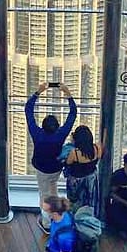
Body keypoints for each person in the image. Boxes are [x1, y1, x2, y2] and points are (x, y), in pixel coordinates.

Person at [26, 83, 78, 232]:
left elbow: (28, 110)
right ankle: (57, 214)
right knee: (52, 188)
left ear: (43, 126)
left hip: (41, 169)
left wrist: (38, 92)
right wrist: (67, 93)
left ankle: (47, 224)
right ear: (57, 126)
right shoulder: (60, 135)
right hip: (56, 168)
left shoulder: (37, 133)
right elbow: (73, 114)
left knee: (44, 194)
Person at [64, 125, 102, 211]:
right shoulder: (97, 148)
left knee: (75, 203)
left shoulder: (75, 153)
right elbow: (99, 157)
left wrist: (72, 142)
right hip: (91, 179)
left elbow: (68, 163)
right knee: (90, 202)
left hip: (77, 181)